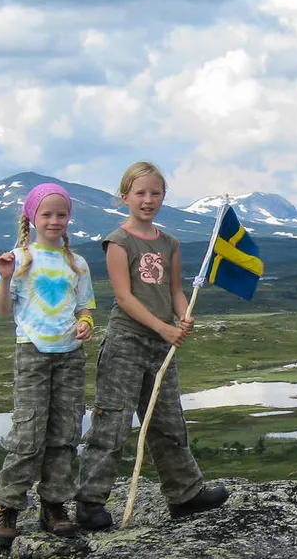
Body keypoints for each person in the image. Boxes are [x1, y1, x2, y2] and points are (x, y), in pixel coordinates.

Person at [74, 161, 229, 531]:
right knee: (111, 422)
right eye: (140, 193)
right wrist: (164, 327)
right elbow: (125, 299)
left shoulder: (169, 243)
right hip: (126, 341)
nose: (148, 200)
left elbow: (175, 291)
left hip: (161, 344)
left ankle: (185, 495)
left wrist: (183, 315)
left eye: (155, 193)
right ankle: (90, 502)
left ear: (163, 196)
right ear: (124, 196)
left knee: (167, 422)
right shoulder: (118, 242)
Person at [0, 182, 96, 547]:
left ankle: (54, 505)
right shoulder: (18, 259)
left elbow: (85, 307)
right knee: (29, 433)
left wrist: (86, 324)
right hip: (32, 352)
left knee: (65, 432)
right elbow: (4, 310)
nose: (54, 220)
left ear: (69, 218)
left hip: (70, 354)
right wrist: (5, 278)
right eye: (47, 214)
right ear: (32, 218)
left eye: (61, 214)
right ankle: (6, 506)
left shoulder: (77, 264)